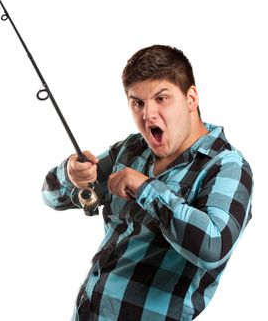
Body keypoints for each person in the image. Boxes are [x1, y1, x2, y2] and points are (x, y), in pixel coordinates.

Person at [41, 45, 253, 321]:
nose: (148, 115)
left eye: (161, 98)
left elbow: (213, 247)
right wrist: (70, 175)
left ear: (191, 98)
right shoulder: (131, 150)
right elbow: (51, 197)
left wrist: (144, 188)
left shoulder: (227, 167)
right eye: (137, 103)